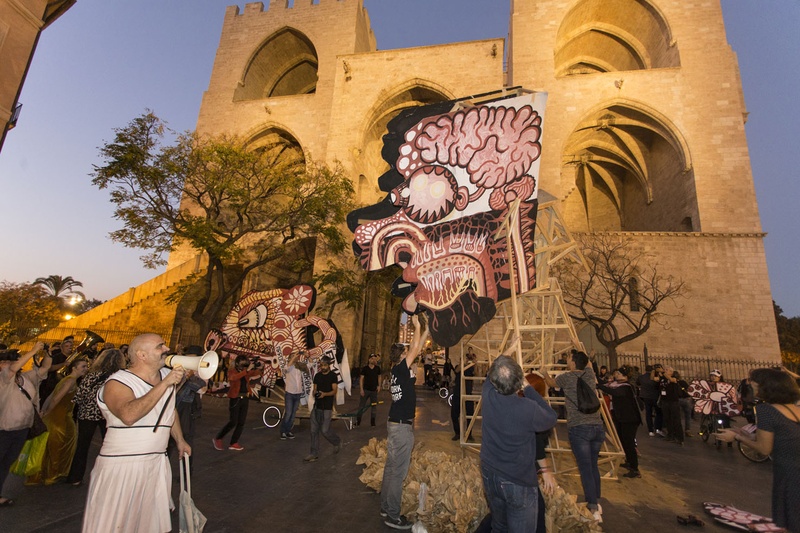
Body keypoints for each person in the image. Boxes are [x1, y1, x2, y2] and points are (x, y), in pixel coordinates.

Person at [81, 333, 190, 533]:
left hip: (156, 462)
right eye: (160, 346)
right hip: (123, 465)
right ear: (141, 355)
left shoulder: (166, 375)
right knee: (115, 523)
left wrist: (180, 439)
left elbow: (168, 408)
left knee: (148, 525)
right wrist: (164, 385)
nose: (166, 349)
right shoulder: (117, 382)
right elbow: (128, 415)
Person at [480, 339, 558, 532]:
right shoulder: (528, 409)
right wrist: (528, 388)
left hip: (490, 472)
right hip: (517, 481)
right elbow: (551, 417)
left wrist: (508, 351)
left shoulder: (488, 394)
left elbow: (493, 371)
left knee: (499, 525)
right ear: (518, 385)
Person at [717, 368, 800, 532]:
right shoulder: (795, 408)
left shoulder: (767, 411)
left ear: (768, 388)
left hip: (789, 474)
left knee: (792, 518)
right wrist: (743, 432)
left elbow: (764, 448)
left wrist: (736, 438)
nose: (753, 390)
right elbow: (784, 436)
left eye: (755, 386)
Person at [541, 350, 605, 522]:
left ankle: (592, 508)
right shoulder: (589, 373)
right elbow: (589, 363)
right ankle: (597, 502)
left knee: (585, 469)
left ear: (573, 362)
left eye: (569, 358)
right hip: (597, 426)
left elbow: (551, 383)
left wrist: (543, 372)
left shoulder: (566, 377)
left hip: (579, 427)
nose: (566, 360)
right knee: (593, 466)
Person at [380, 315, 428, 530]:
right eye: (406, 351)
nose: (411, 353)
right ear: (401, 355)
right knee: (397, 472)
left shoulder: (399, 372)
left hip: (394, 424)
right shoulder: (400, 368)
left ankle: (385, 507)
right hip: (401, 427)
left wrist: (427, 331)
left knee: (391, 469)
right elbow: (416, 349)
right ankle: (392, 515)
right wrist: (417, 326)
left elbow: (418, 348)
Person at [66, 348, 127, 486]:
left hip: (88, 414)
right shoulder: (121, 377)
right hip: (109, 415)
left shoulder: (92, 375)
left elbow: (80, 396)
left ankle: (75, 477)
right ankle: (111, 478)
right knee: (111, 447)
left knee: (82, 446)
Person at [0, 342, 49, 507]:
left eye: (9, 361)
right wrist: (34, 350)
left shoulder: (25, 378)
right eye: (5, 361)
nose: (7, 365)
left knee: (6, 463)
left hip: (22, 429)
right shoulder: (4, 379)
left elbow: (44, 369)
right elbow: (12, 370)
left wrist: (46, 353)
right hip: (4, 430)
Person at [28, 357, 89, 485]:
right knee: (59, 448)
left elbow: (52, 397)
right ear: (74, 368)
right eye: (83, 366)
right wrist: (48, 412)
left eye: (86, 366)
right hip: (60, 420)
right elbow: (56, 398)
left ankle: (46, 474)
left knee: (52, 448)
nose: (86, 369)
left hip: (58, 418)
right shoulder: (70, 381)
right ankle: (52, 474)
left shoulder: (68, 380)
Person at [598, 366, 643, 477]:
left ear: (625, 376)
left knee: (629, 442)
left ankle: (635, 469)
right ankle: (629, 461)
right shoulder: (615, 384)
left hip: (630, 419)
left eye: (619, 373)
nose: (616, 375)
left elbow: (616, 392)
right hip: (621, 418)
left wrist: (599, 387)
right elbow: (604, 383)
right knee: (623, 440)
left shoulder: (627, 387)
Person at [213, 354, 261, 451]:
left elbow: (255, 373)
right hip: (235, 399)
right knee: (233, 421)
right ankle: (218, 438)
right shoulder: (233, 371)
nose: (245, 367)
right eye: (243, 365)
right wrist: (246, 371)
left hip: (245, 398)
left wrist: (260, 368)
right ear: (238, 364)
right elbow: (233, 378)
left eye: (246, 365)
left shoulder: (245, 372)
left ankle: (234, 442)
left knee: (241, 422)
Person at [304, 356, 341, 462]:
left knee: (325, 430)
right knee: (313, 431)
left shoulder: (333, 376)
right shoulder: (317, 376)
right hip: (317, 407)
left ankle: (337, 441)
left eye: (324, 365)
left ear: (328, 365)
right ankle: (313, 453)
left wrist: (325, 394)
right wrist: (315, 392)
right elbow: (314, 389)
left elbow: (334, 391)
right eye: (321, 365)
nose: (323, 367)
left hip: (327, 407)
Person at [280, 350, 307, 440]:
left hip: (298, 393)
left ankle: (288, 431)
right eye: (293, 356)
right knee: (288, 413)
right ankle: (283, 431)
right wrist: (293, 358)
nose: (296, 357)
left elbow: (309, 366)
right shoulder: (289, 366)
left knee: (293, 414)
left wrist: (307, 356)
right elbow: (285, 369)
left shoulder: (299, 366)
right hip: (290, 393)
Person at [39, 335, 73, 406]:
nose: (69, 347)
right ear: (62, 348)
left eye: (70, 346)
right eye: (66, 346)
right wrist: (63, 364)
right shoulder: (56, 357)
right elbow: (49, 368)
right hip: (53, 384)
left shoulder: (72, 358)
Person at [659, 368, 684, 445]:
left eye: (667, 370)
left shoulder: (674, 378)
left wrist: (664, 373)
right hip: (665, 401)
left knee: (676, 420)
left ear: (671, 372)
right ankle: (670, 435)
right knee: (667, 419)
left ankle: (679, 438)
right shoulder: (663, 379)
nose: (665, 371)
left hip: (673, 401)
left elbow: (672, 380)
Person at [638, 364, 663, 436]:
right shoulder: (656, 377)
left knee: (648, 413)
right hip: (655, 397)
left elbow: (638, 383)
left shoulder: (641, 377)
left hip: (645, 397)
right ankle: (657, 427)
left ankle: (650, 430)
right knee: (658, 412)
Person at [358, 353, 381, 427]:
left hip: (374, 390)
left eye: (375, 359)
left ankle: (372, 421)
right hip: (366, 390)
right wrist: (361, 389)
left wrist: (379, 386)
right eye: (372, 358)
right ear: (369, 359)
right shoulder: (365, 369)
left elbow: (379, 377)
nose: (373, 360)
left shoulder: (377, 368)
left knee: (374, 406)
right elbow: (361, 379)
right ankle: (358, 421)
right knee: (361, 406)